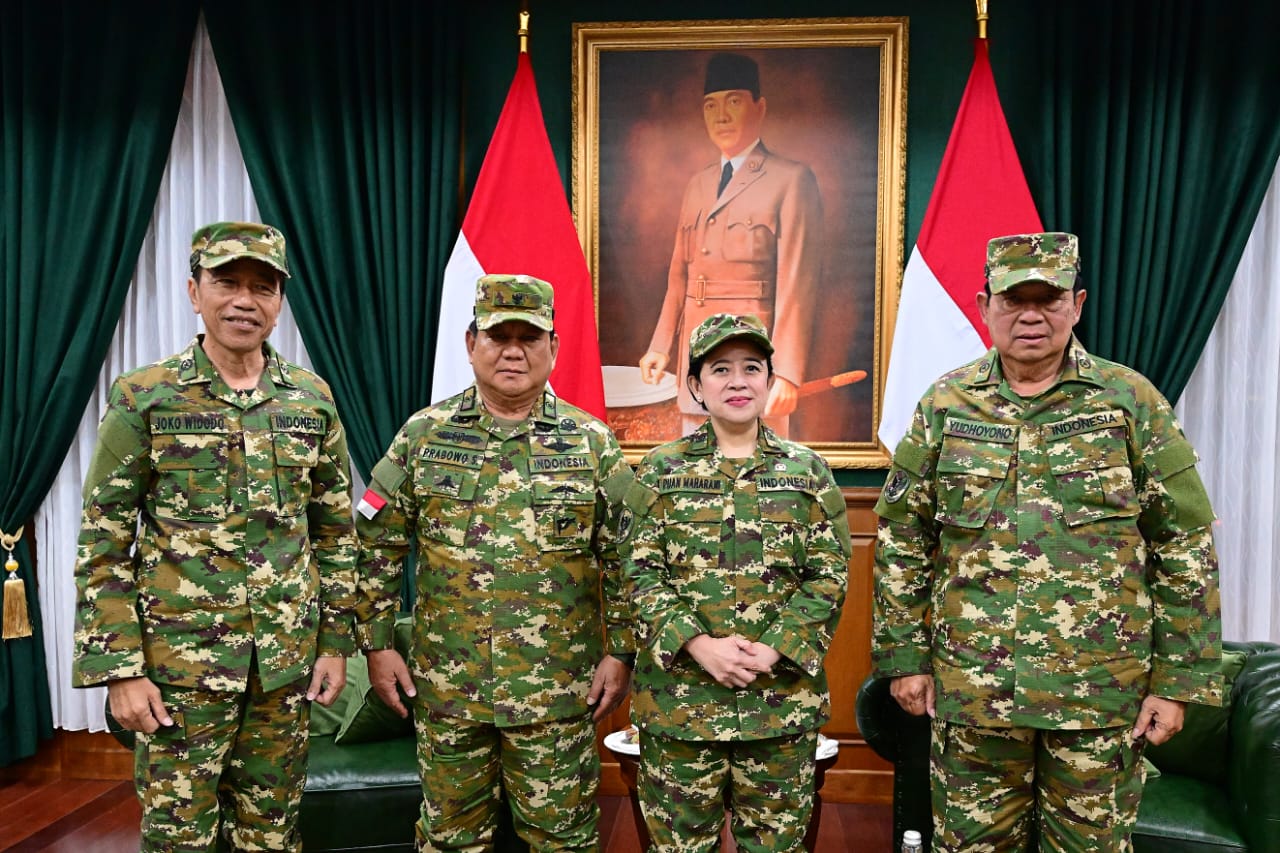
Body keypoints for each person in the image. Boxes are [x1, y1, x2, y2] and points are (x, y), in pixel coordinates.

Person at [872, 232, 1224, 851]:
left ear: (1078, 304)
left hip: (1099, 694)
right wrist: (904, 660)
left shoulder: (1130, 401)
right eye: (1013, 300)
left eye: (1049, 299)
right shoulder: (945, 405)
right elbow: (904, 539)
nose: (1030, 316)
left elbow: (1184, 544)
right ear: (984, 306)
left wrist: (1175, 681)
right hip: (973, 692)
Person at [73, 221, 359, 852]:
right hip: (180, 671)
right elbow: (104, 540)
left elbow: (335, 533)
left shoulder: (310, 399)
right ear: (192, 291)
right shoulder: (145, 396)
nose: (243, 301)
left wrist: (335, 644)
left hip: (283, 670)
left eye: (263, 287)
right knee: (179, 839)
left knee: (274, 836)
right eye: (226, 282)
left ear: (280, 302)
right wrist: (120, 670)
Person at [354, 274, 635, 851]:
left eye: (529, 337)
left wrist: (621, 650)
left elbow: (628, 556)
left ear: (553, 348)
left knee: (562, 843)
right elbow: (375, 547)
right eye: (497, 335)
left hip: (558, 694)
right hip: (449, 692)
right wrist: (378, 644)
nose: (513, 350)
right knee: (450, 842)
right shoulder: (423, 437)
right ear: (470, 343)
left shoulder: (592, 444)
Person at [620, 313, 851, 850]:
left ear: (770, 381)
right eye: (720, 369)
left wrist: (774, 649)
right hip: (681, 708)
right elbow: (635, 570)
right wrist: (699, 646)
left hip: (779, 707)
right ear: (696, 386)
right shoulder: (660, 470)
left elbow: (830, 574)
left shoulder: (808, 471)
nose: (738, 381)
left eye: (752, 368)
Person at [638, 52, 824, 437]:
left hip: (752, 363)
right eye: (711, 105)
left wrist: (786, 371)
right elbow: (680, 275)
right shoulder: (697, 185)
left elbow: (797, 285)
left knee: (761, 481)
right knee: (694, 477)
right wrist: (661, 346)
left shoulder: (791, 180)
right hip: (698, 361)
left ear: (760, 108)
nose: (720, 116)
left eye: (734, 102)